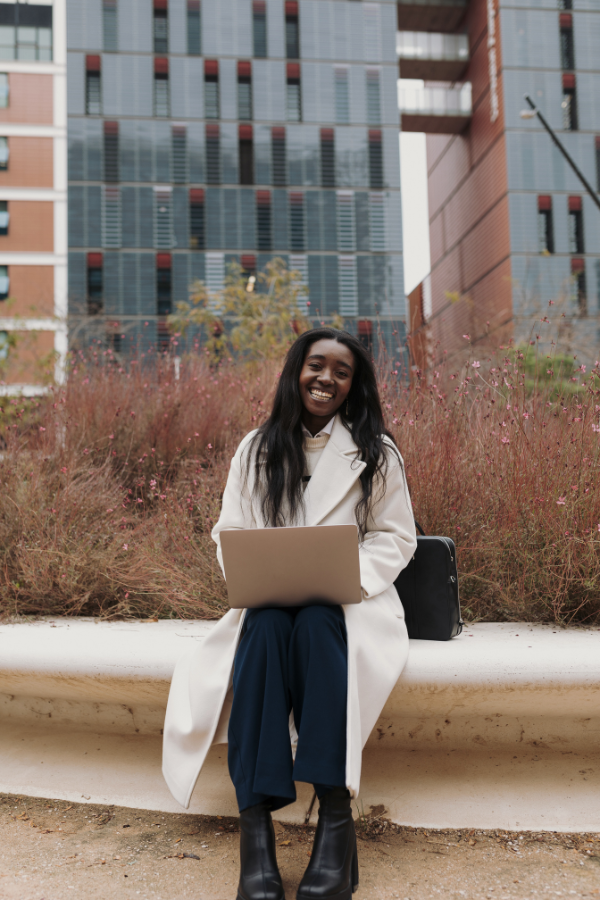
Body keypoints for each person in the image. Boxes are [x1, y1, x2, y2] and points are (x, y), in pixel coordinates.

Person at [162, 327, 417, 900]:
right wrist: (261, 572)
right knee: (268, 627)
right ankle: (256, 838)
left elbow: (396, 538)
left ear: (354, 385)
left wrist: (347, 577)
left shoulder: (376, 452)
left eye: (342, 371)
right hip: (272, 599)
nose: (327, 378)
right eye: (316, 365)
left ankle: (334, 825)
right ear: (295, 372)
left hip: (349, 602)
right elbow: (229, 531)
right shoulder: (257, 449)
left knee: (321, 624)